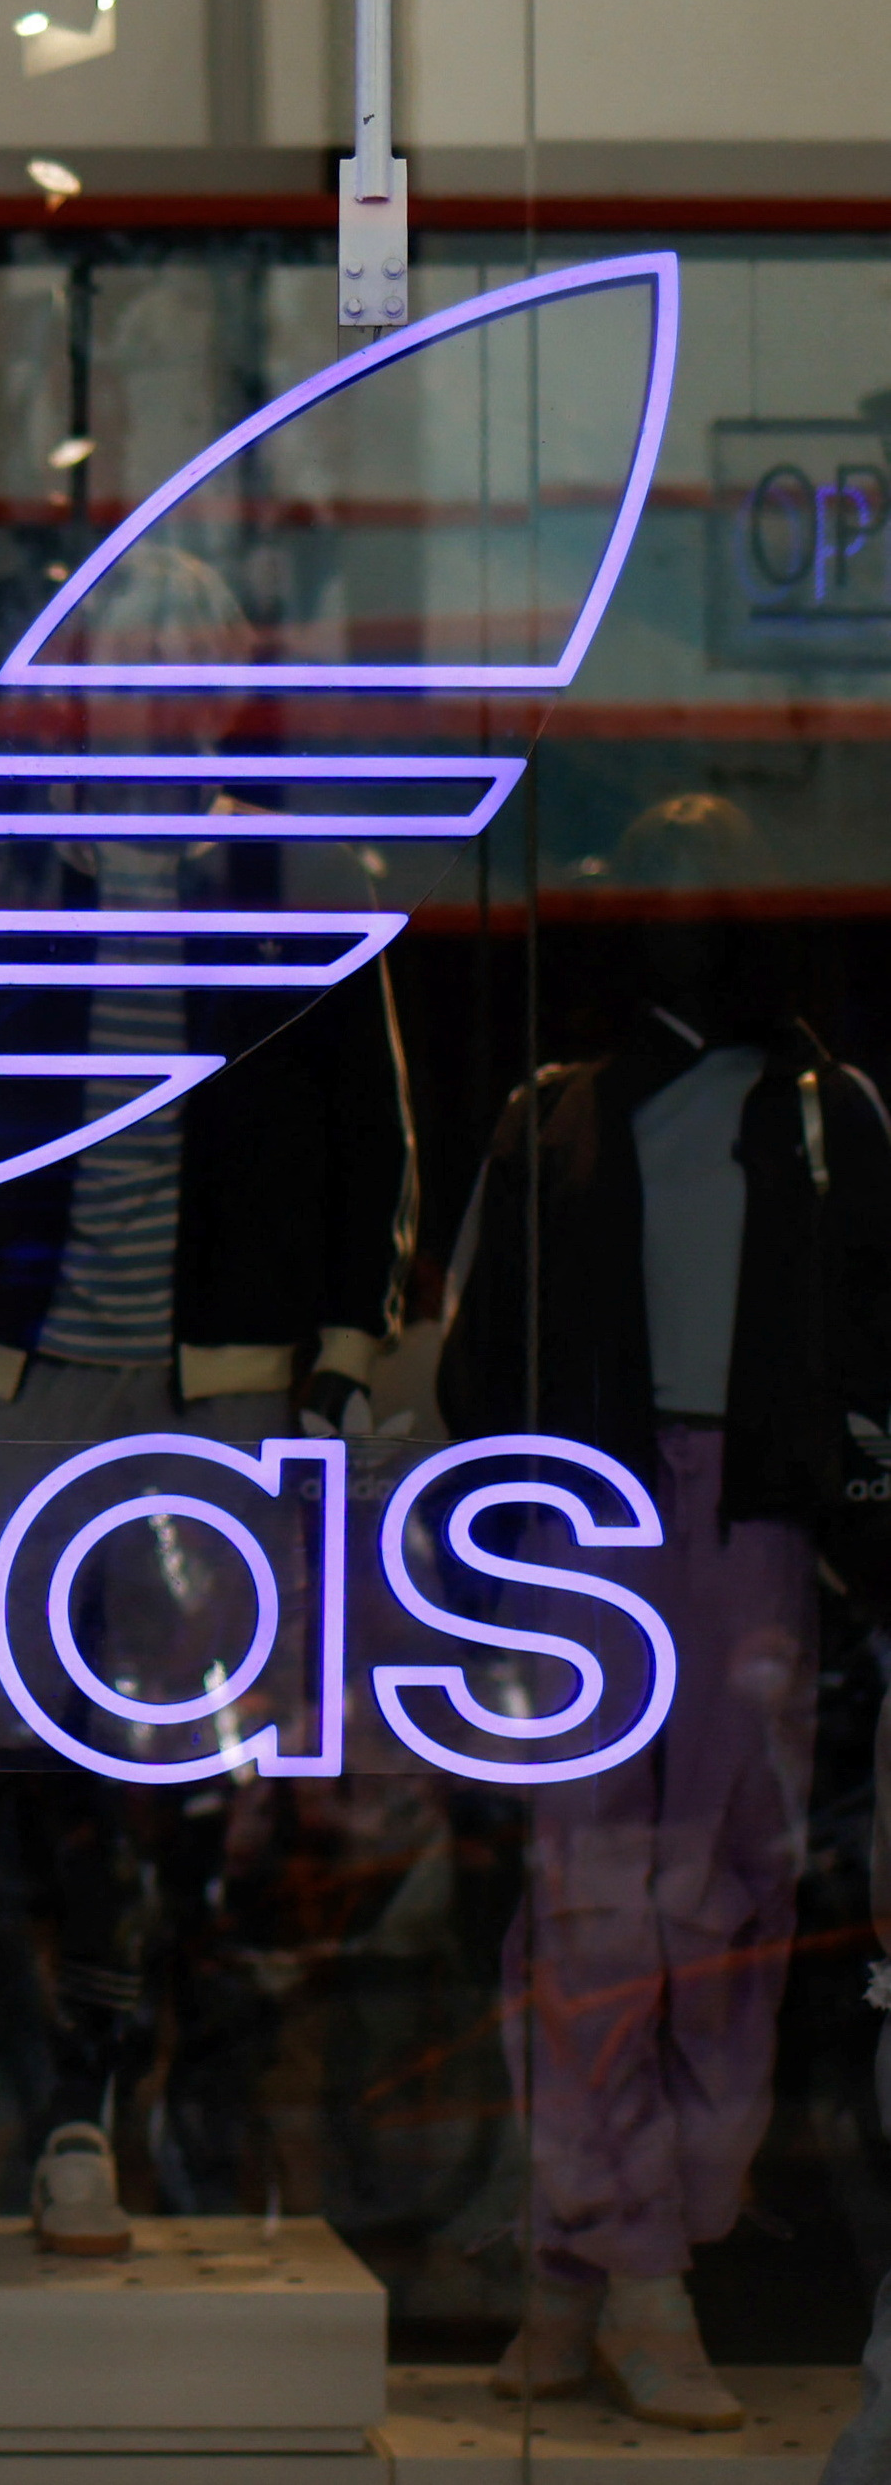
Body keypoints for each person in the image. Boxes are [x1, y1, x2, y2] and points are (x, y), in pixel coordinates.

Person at [439, 794, 891, 2432]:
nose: (683, 917)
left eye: (716, 888)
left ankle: (590, 2262)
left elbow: (873, 1339)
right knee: (587, 1902)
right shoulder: (555, 1112)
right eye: (658, 885)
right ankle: (637, 2271)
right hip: (586, 1525)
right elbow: (478, 1358)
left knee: (723, 1904)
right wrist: (493, 1553)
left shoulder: (828, 1112)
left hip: (751, 1528)